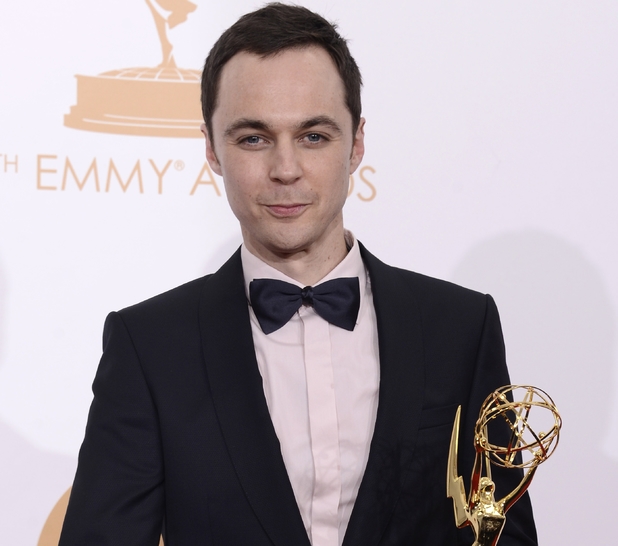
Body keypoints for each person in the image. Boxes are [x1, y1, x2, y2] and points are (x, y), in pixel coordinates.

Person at [59, 3, 537, 545]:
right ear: (212, 149)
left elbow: (503, 534)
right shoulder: (149, 347)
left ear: (356, 143)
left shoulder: (461, 328)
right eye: (253, 138)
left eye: (313, 136)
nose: (285, 170)